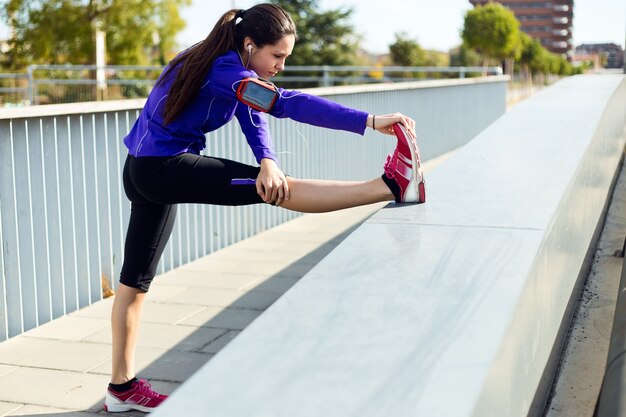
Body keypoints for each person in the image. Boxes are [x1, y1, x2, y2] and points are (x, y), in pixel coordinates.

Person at [104, 3, 425, 413]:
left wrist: (268, 158)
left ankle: (121, 388)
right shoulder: (225, 71)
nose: (281, 66)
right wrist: (370, 120)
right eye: (277, 56)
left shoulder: (213, 60)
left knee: (134, 284)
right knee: (275, 190)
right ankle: (391, 185)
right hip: (163, 170)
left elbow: (252, 112)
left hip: (141, 168)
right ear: (250, 44)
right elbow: (285, 103)